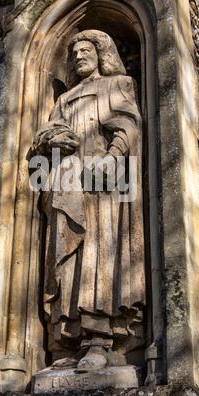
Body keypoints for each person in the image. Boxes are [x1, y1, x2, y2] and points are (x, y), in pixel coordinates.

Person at [34, 30, 145, 371]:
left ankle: (99, 339)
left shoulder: (119, 85)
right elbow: (45, 135)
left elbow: (128, 124)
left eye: (87, 50)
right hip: (68, 181)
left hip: (103, 182)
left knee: (99, 255)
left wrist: (113, 157)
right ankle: (69, 339)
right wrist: (52, 138)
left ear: (101, 54)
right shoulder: (65, 100)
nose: (80, 56)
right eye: (76, 52)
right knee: (68, 258)